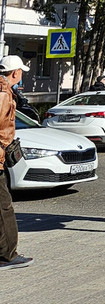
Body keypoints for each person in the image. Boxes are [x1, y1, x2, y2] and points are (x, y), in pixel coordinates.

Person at [0, 55, 33, 268]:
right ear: (15, 73)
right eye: (21, 72)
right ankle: (8, 256)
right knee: (4, 208)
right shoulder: (3, 94)